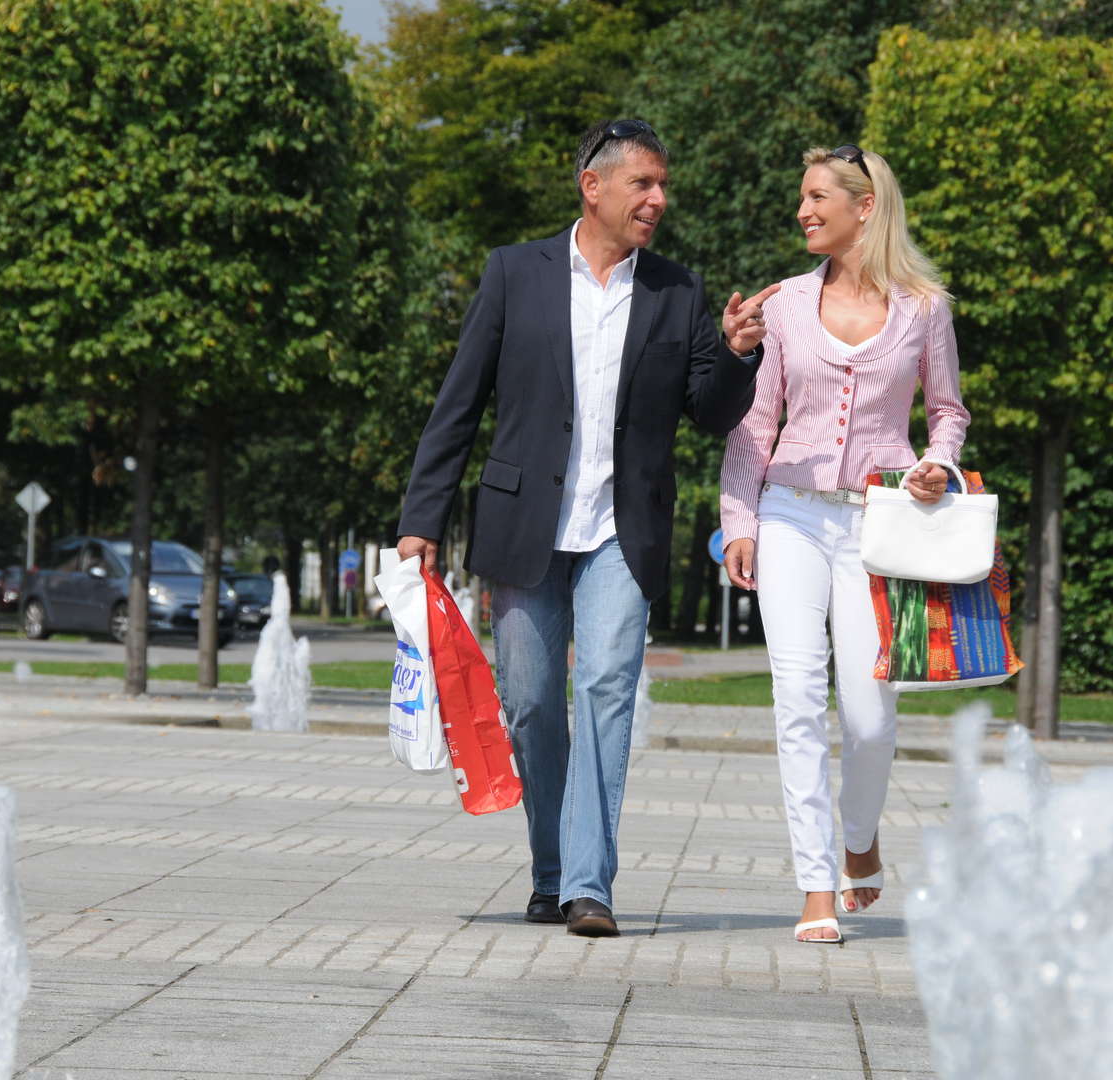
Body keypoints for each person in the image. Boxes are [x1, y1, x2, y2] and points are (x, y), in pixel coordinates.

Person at [398, 119, 778, 937]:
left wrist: (740, 355)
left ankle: (588, 886)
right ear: (593, 186)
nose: (658, 199)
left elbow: (710, 413)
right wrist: (419, 519)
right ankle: (549, 869)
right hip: (524, 523)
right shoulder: (514, 274)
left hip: (622, 532)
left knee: (605, 688)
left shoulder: (679, 291)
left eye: (663, 185)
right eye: (643, 183)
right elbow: (459, 402)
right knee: (533, 704)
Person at [719, 145, 970, 944]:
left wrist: (937, 462)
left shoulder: (926, 308)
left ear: (866, 207)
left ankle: (860, 834)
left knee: (867, 716)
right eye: (802, 197)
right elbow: (756, 426)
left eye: (818, 196)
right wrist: (739, 521)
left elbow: (950, 411)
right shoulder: (785, 304)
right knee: (796, 697)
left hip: (880, 524)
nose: (803, 210)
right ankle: (816, 883)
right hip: (790, 511)